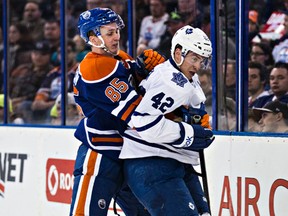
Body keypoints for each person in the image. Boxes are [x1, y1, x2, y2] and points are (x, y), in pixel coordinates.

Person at [70, 8, 165, 216]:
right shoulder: (95, 68)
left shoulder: (118, 57)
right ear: (93, 38)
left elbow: (131, 80)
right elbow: (137, 113)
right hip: (101, 152)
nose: (116, 37)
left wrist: (143, 71)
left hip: (129, 153)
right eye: (110, 33)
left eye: (117, 31)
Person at [120, 25, 215, 215]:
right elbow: (142, 121)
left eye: (201, 60)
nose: (197, 66)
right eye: (194, 58)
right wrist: (189, 133)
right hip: (151, 163)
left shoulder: (178, 74)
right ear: (178, 53)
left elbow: (185, 110)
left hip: (173, 161)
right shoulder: (172, 82)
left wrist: (196, 119)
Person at [9, 40, 54, 123]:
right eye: (35, 53)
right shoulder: (22, 69)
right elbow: (9, 85)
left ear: (49, 55)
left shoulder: (52, 73)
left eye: (43, 54)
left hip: (32, 107)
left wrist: (20, 100)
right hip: (11, 101)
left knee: (24, 105)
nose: (38, 57)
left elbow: (42, 93)